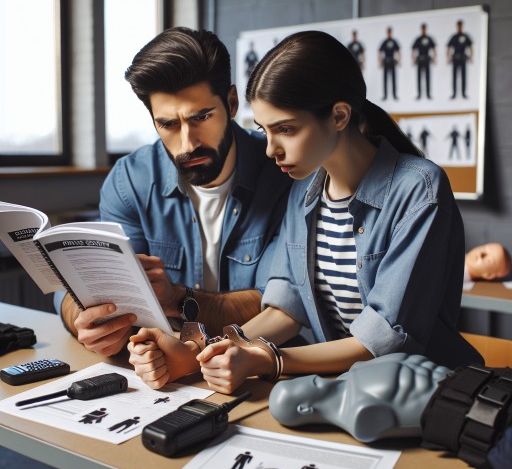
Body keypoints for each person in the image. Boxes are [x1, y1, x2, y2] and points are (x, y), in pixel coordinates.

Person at [128, 30, 482, 394]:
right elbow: (286, 310)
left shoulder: (419, 189)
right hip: (346, 391)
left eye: (286, 130)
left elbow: (384, 339)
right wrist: (196, 352)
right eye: (264, 131)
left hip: (425, 395)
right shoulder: (304, 191)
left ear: (339, 116)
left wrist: (270, 360)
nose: (270, 150)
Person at [55, 27, 292, 360]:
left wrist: (177, 298)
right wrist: (81, 319)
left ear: (233, 102)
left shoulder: (285, 174)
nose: (188, 143)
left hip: (260, 368)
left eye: (202, 117)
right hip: (164, 375)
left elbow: (281, 301)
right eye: (168, 124)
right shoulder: (131, 180)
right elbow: (91, 287)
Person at [268, 353, 452, 442]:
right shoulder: (361, 416)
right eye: (293, 386)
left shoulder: (353, 370)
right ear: (304, 408)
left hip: (465, 375)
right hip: (464, 406)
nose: (299, 380)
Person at [447, 19, 473, 99]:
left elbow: (470, 47)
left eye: (460, 26)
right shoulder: (454, 37)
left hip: (463, 58)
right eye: (458, 26)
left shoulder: (465, 36)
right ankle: (454, 94)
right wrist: (449, 57)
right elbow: (449, 48)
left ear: (462, 26)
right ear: (457, 26)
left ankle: (463, 93)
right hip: (455, 58)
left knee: (463, 76)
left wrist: (470, 57)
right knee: (454, 77)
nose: (459, 27)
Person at [411, 23, 436, 100]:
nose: (423, 30)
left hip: (427, 59)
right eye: (422, 28)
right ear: (421, 29)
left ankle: (428, 94)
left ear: (426, 29)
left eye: (424, 28)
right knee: (419, 78)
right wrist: (414, 59)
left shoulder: (429, 38)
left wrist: (434, 58)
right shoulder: (418, 39)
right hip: (420, 60)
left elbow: (433, 48)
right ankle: (419, 94)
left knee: (427, 77)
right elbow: (413, 49)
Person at [378, 26, 400, 100]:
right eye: (388, 32)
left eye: (390, 32)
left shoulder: (394, 41)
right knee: (385, 79)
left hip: (392, 61)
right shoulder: (385, 42)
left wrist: (399, 60)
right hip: (386, 61)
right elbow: (380, 51)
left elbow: (398, 51)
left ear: (391, 32)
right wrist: (380, 61)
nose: (389, 33)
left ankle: (394, 95)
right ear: (387, 33)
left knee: (393, 78)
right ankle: (385, 95)